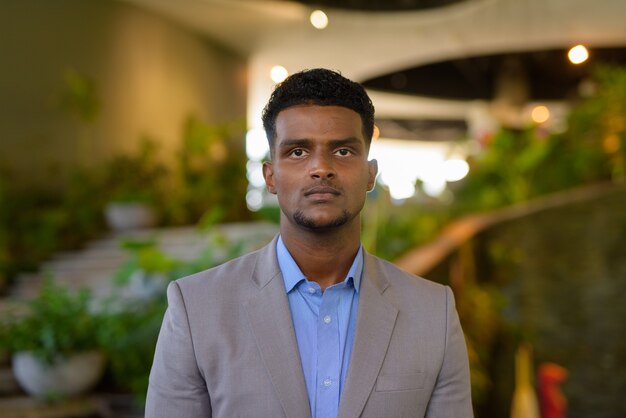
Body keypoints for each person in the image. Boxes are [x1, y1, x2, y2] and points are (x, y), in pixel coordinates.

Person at [145, 68, 473, 418]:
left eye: (344, 151)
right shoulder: (196, 309)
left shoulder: (432, 314)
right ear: (270, 177)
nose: (321, 168)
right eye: (299, 152)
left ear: (370, 174)